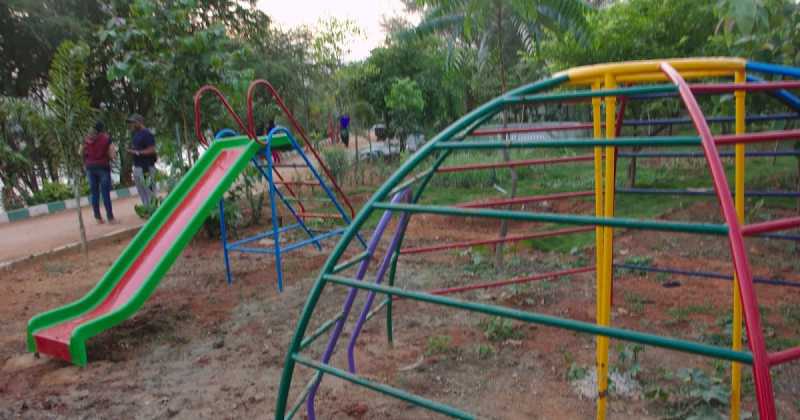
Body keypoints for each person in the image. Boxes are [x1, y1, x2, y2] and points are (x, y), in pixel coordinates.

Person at [82, 121, 116, 224]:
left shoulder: (86, 139)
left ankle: (98, 218)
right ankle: (110, 217)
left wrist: (86, 163)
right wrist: (110, 159)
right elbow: (112, 154)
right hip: (103, 167)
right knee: (105, 193)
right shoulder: (106, 139)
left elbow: (81, 152)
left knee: (94, 193)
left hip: (90, 168)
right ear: (102, 129)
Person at [126, 113, 158, 207]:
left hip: (146, 167)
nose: (131, 125)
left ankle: (153, 210)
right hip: (137, 166)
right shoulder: (136, 135)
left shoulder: (147, 134)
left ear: (139, 122)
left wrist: (136, 152)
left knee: (149, 190)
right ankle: (147, 208)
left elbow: (152, 150)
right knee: (142, 191)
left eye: (133, 122)